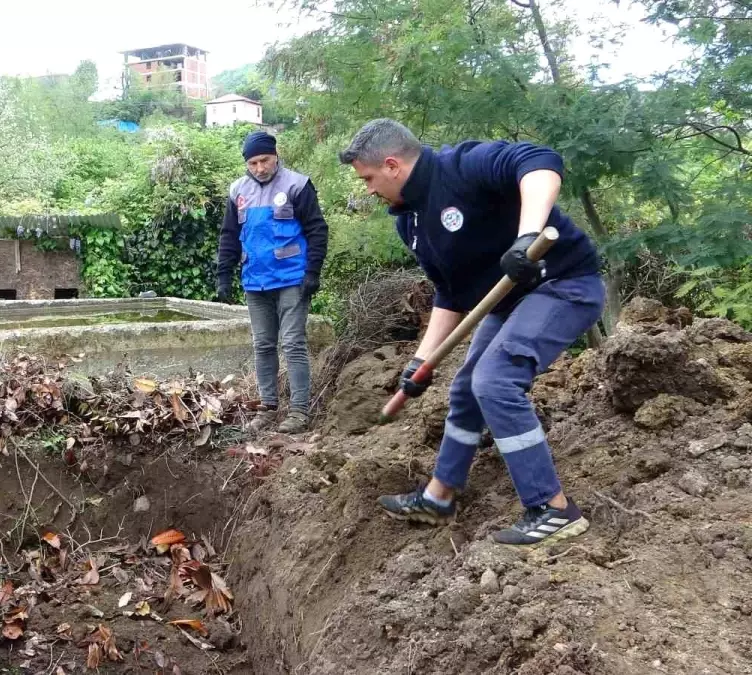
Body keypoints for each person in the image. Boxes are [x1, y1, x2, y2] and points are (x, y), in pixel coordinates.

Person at [339, 119, 603, 547]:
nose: (368, 190)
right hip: (509, 301)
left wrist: (527, 239)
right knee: (466, 390)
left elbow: (539, 161)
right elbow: (450, 293)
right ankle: (438, 497)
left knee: (495, 380)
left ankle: (552, 508)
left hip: (564, 285)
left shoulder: (461, 166)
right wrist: (421, 362)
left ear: (391, 165)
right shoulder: (411, 223)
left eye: (367, 178)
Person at [217, 131, 328, 435]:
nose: (260, 168)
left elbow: (317, 230)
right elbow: (229, 235)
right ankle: (268, 408)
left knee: (292, 342)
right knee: (263, 344)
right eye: (253, 163)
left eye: (264, 160)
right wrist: (223, 275)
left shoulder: (297, 185)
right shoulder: (237, 191)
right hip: (255, 281)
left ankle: (299, 411)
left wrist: (313, 271)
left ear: (275, 156)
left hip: (293, 278)